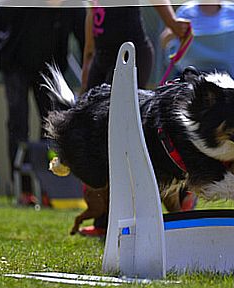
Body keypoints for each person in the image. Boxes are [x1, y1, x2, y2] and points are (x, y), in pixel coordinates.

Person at [78, 2, 192, 237]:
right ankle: (105, 218)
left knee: (121, 137)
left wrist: (172, 23)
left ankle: (180, 193)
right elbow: (93, 12)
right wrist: (88, 59)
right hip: (102, 58)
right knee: (95, 137)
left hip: (131, 55)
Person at [0, 7, 85, 192]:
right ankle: (22, 189)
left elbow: (85, 39)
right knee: (18, 125)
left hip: (49, 68)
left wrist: (89, 75)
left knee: (53, 126)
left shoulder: (71, 6)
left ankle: (48, 187)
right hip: (16, 64)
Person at [161, 0, 234, 83]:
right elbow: (165, 41)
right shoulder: (186, 11)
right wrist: (173, 32)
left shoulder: (233, 11)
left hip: (226, 76)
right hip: (190, 73)